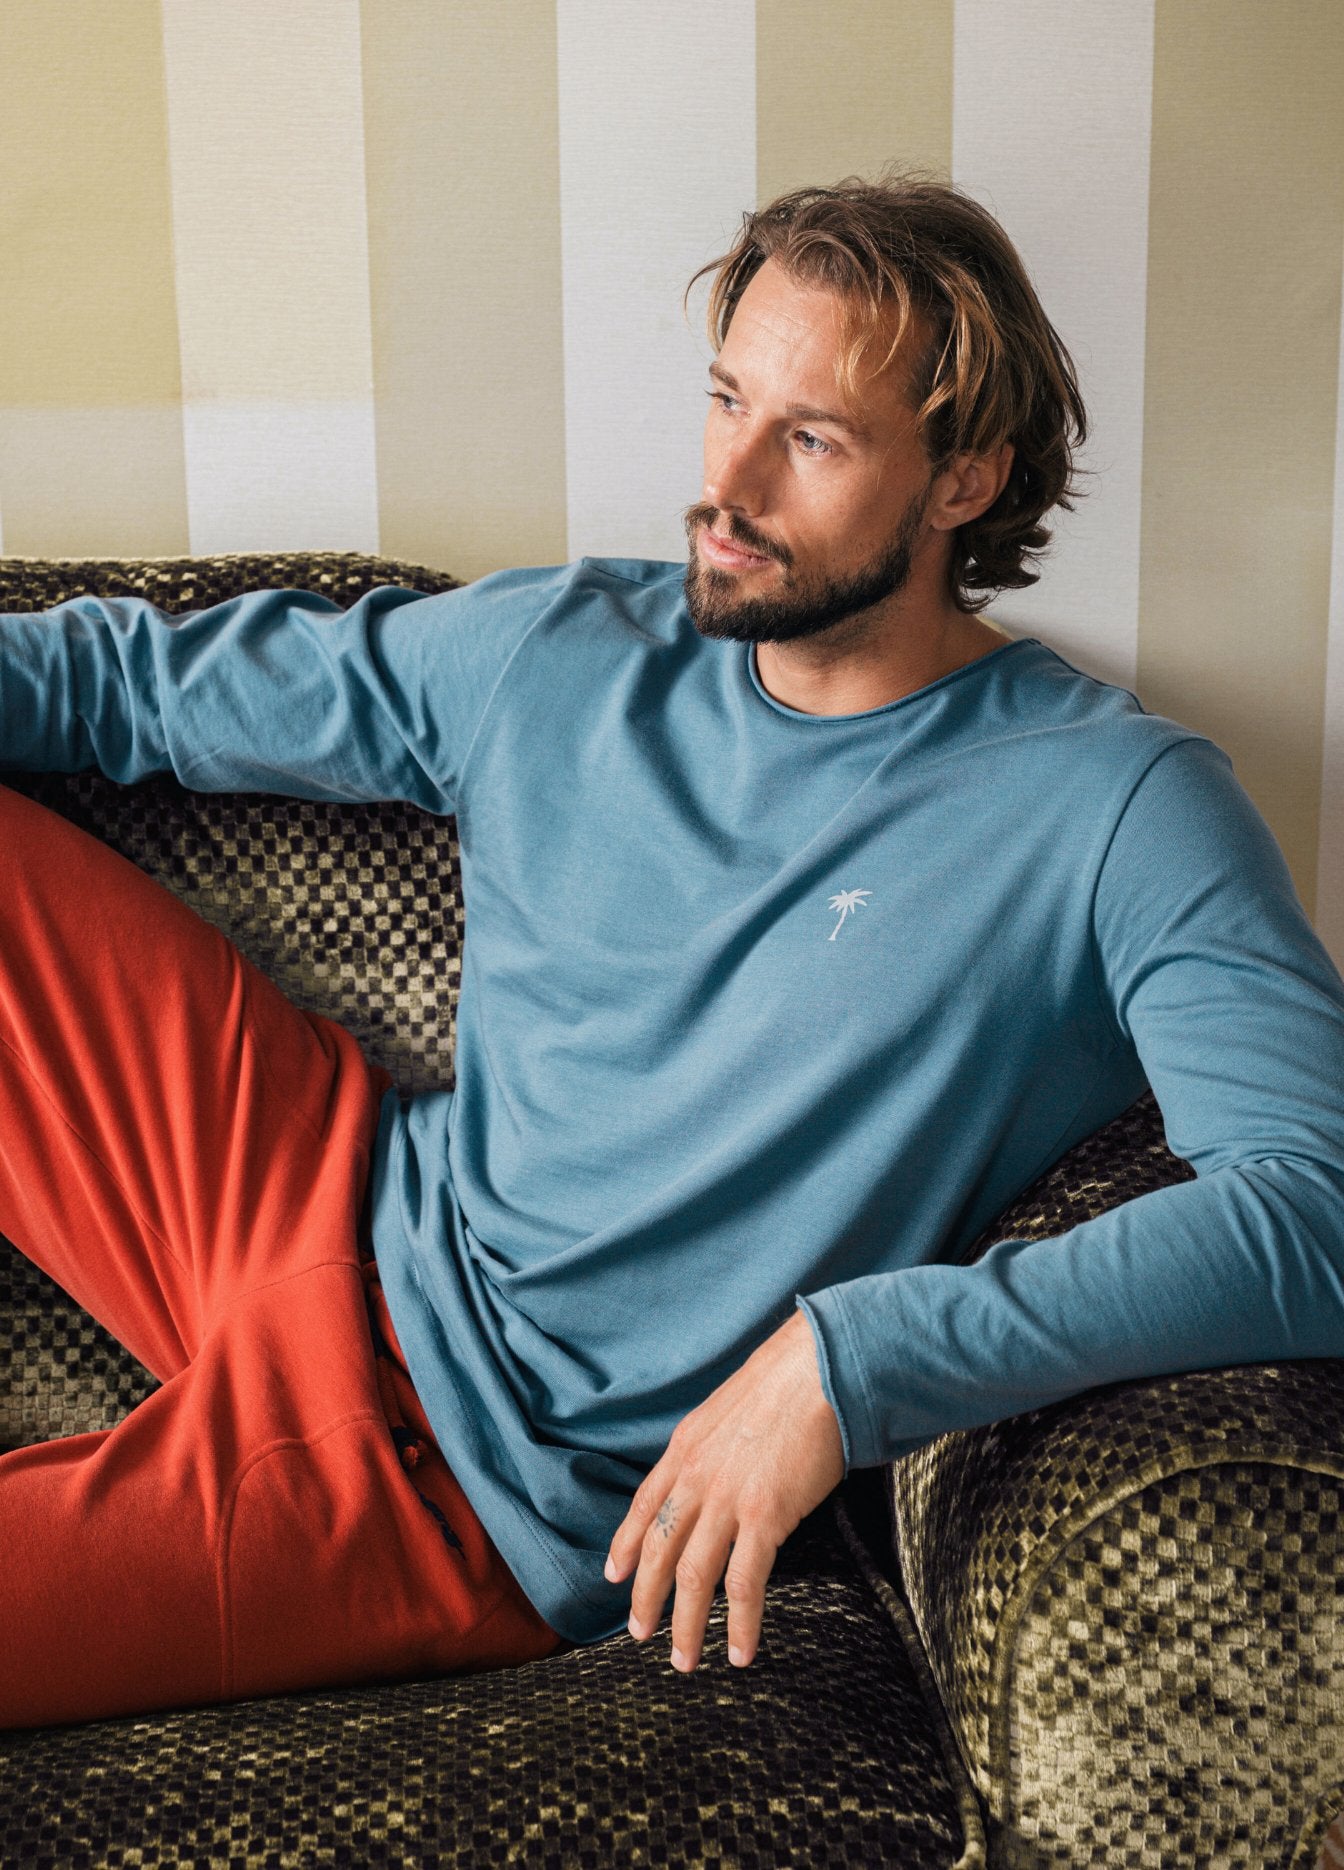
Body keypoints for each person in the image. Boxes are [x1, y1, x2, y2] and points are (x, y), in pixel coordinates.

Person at [4, 168, 1344, 1730]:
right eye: (726, 401)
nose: (730, 482)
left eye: (812, 439)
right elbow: (126, 686)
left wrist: (849, 1362)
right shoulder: (565, 646)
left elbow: (1315, 1211)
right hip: (312, 1184)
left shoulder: (1115, 804)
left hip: (447, 1480)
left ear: (964, 480)